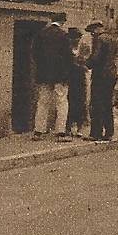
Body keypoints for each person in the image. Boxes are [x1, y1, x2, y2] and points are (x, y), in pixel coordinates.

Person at [33, 13, 73, 141]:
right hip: (60, 75)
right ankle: (60, 132)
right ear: (62, 21)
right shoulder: (63, 35)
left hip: (44, 74)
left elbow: (35, 53)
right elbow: (68, 56)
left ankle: (38, 131)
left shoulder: (41, 34)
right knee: (61, 102)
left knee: (43, 102)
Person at [86, 21, 118, 143]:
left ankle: (96, 133)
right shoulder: (113, 39)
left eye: (91, 32)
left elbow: (96, 57)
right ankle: (109, 132)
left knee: (96, 104)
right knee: (107, 104)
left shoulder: (100, 40)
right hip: (112, 74)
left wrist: (85, 64)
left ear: (96, 30)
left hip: (101, 75)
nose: (92, 35)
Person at [65, 27, 88, 137]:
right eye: (74, 38)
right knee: (69, 102)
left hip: (80, 78)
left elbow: (86, 61)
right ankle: (68, 127)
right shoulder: (67, 48)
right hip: (70, 78)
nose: (76, 40)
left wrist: (80, 64)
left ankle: (79, 127)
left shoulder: (83, 48)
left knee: (80, 102)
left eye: (78, 38)